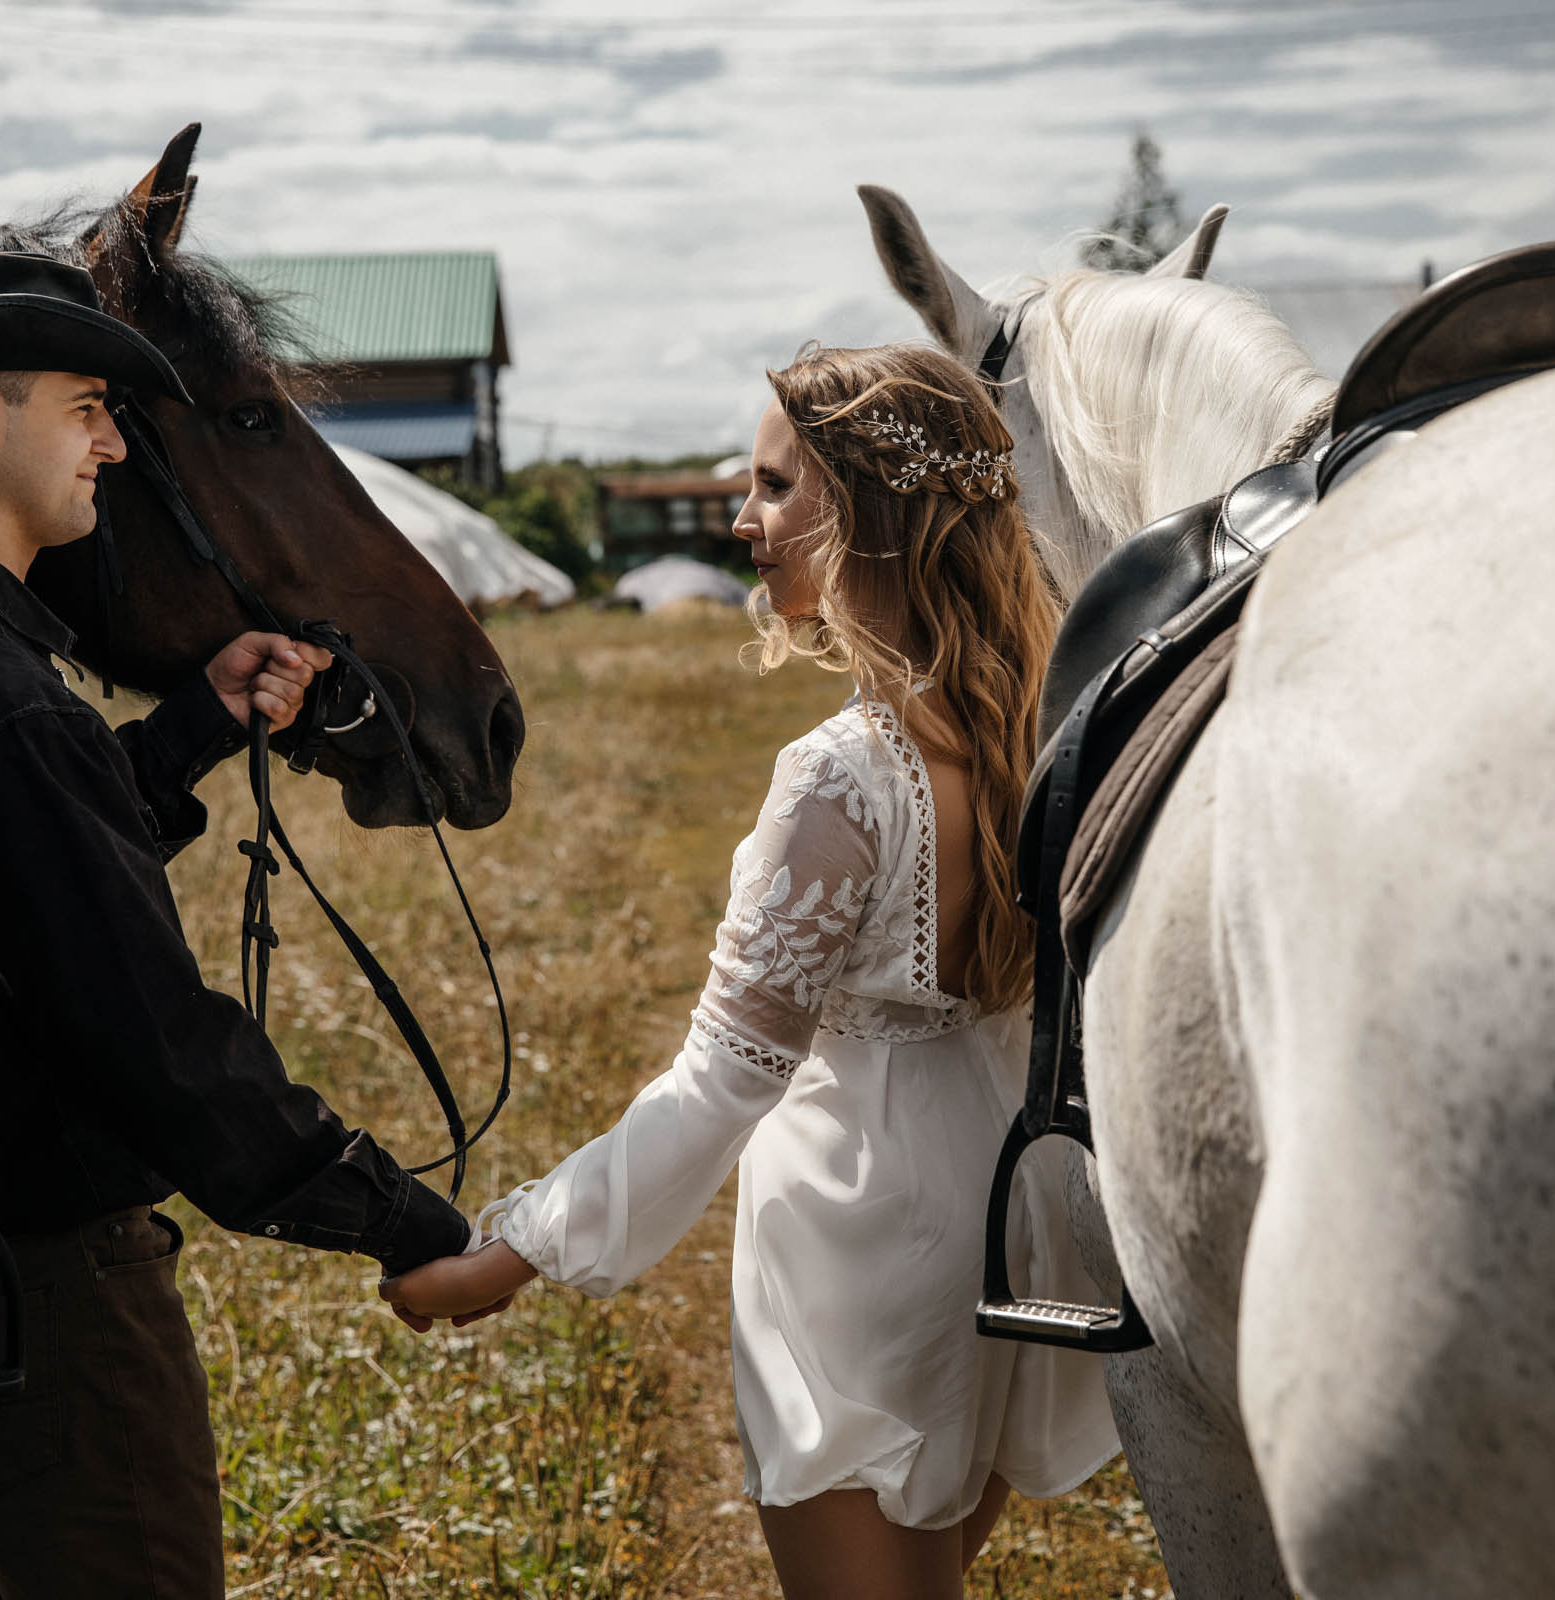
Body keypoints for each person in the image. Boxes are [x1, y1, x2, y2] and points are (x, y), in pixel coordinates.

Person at [0, 251, 472, 1598]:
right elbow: (156, 1044)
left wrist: (193, 724)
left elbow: (2, 871)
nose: (115, 444)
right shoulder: (13, 701)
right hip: (55, 1308)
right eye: (87, 407)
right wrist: (398, 1215)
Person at [381, 343, 1120, 1597]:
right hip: (1007, 1216)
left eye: (776, 488)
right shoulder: (1033, 730)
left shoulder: (842, 776)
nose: (742, 520)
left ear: (867, 517)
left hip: (861, 1233)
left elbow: (723, 1081)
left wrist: (506, 1254)